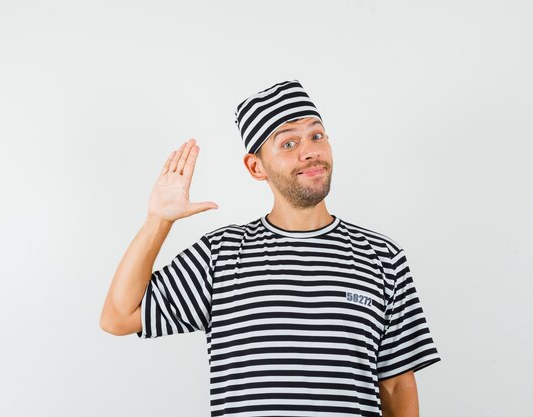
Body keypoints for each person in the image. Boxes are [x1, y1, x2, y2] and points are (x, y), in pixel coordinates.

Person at [100, 79, 441, 417]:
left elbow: (397, 384)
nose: (310, 151)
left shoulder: (382, 258)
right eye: (289, 143)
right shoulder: (220, 255)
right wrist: (158, 221)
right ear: (256, 167)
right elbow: (118, 316)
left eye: (316, 136)